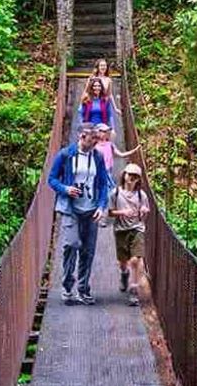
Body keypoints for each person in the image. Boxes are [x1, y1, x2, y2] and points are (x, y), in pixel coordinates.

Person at [47, 122, 109, 304]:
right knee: (72, 244)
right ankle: (67, 286)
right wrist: (65, 189)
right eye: (94, 138)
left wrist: (101, 206)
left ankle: (83, 288)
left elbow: (103, 183)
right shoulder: (65, 155)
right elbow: (51, 179)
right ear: (82, 136)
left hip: (91, 210)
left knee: (88, 251)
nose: (98, 141)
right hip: (71, 209)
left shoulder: (97, 156)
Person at [109, 164, 150, 306]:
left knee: (136, 259)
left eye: (135, 176)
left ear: (139, 179)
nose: (131, 178)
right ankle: (124, 274)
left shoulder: (141, 195)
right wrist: (122, 212)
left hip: (137, 229)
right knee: (123, 261)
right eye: (129, 175)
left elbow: (146, 210)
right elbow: (110, 212)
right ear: (124, 175)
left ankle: (134, 289)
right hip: (121, 230)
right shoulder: (115, 193)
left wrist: (144, 210)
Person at [93, 123, 139, 190]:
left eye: (107, 132)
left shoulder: (110, 144)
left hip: (108, 168)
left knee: (105, 185)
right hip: (99, 169)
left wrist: (133, 151)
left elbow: (121, 154)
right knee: (107, 185)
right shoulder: (94, 146)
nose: (106, 133)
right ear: (98, 132)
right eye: (104, 132)